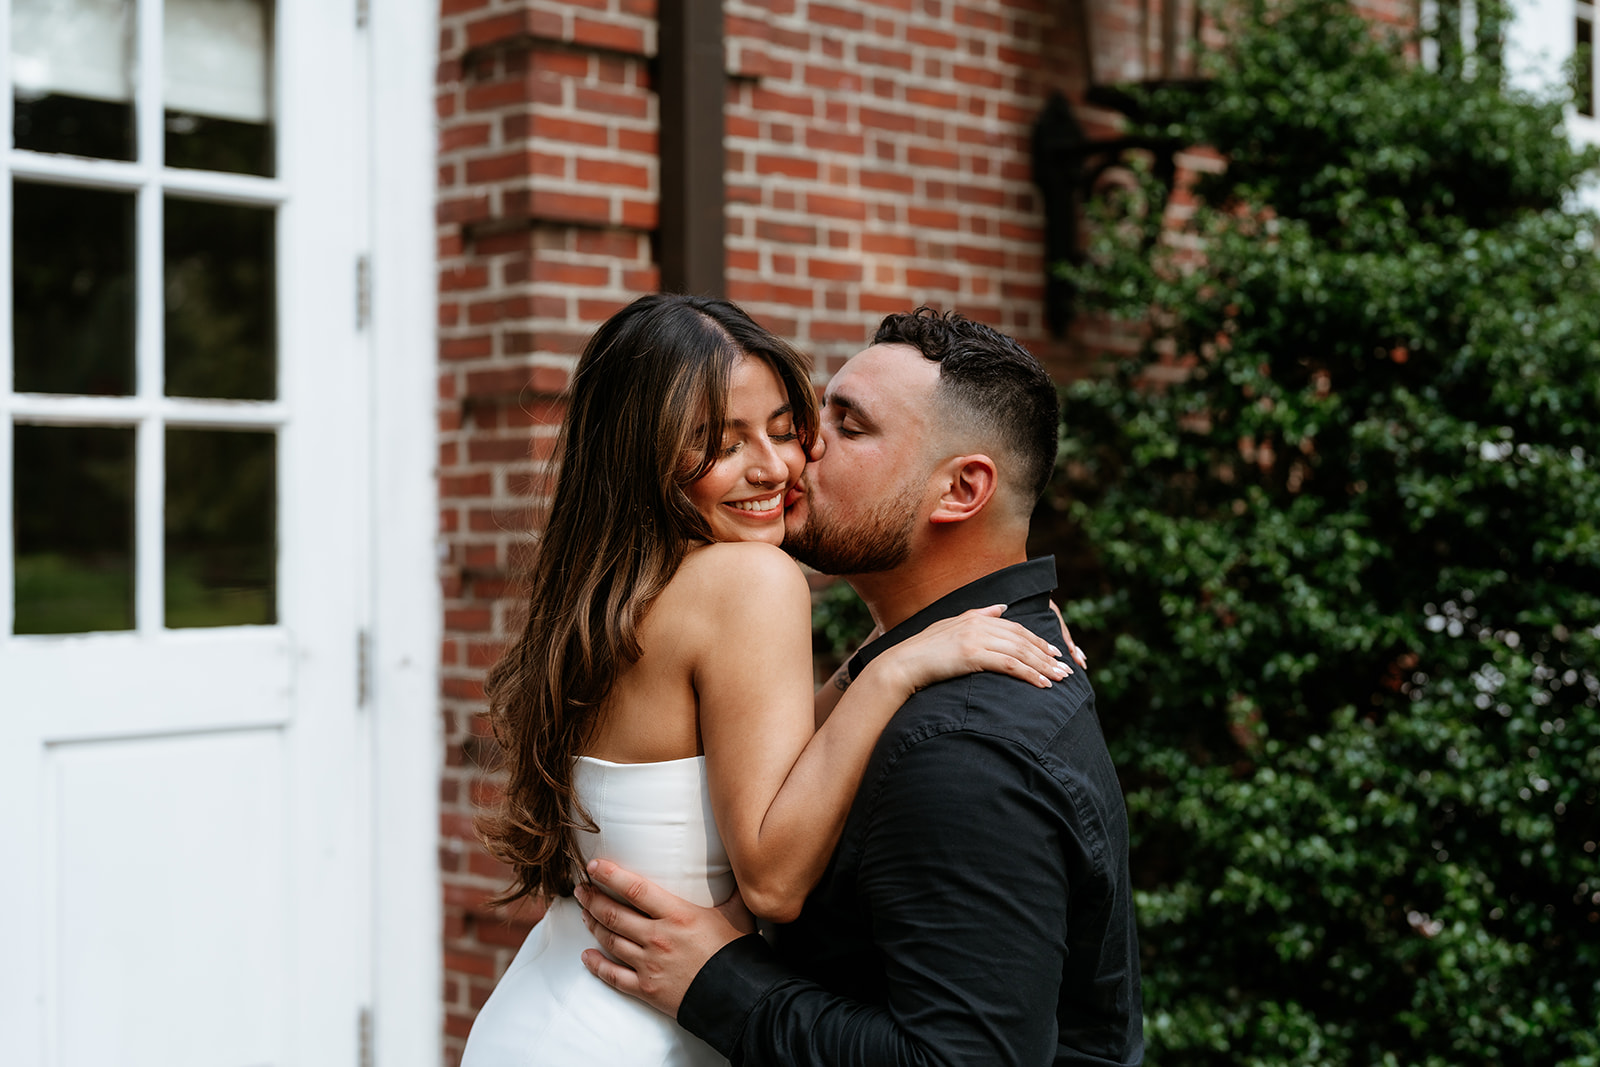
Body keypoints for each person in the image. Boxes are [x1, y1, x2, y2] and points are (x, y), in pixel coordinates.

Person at [459, 294, 1075, 1067]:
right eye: (721, 445)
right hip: (635, 1036)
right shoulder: (752, 579)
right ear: (642, 455)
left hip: (548, 1009)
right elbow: (774, 878)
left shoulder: (622, 586)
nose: (774, 467)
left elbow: (762, 759)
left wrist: (914, 638)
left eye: (786, 429)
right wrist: (898, 666)